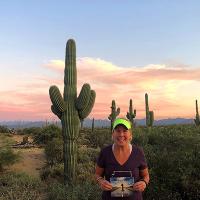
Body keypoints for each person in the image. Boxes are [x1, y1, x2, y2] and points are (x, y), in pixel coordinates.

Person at [95, 118, 149, 200]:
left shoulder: (138, 153)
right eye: (118, 131)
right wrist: (101, 182)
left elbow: (146, 175)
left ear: (130, 134)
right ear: (113, 134)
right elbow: (97, 175)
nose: (121, 134)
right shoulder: (105, 152)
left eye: (125, 131)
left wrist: (144, 183)